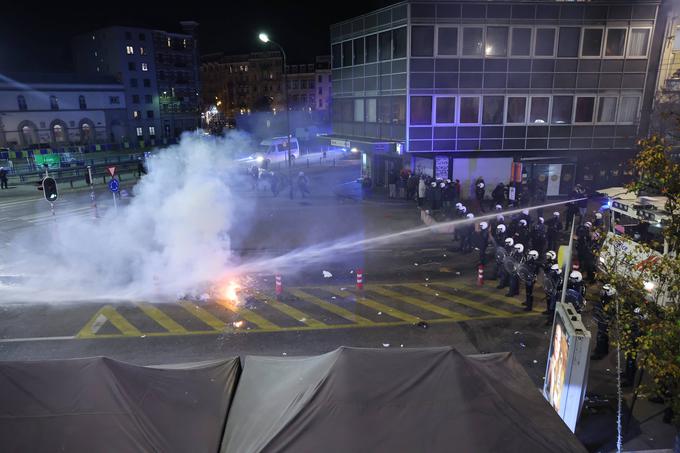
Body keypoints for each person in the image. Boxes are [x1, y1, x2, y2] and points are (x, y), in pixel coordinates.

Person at [591, 284, 616, 360]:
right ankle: (604, 350)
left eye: (606, 290)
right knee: (604, 336)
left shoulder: (610, 301)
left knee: (601, 336)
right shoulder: (607, 298)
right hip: (603, 319)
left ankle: (599, 353)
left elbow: (610, 312)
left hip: (604, 320)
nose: (604, 291)